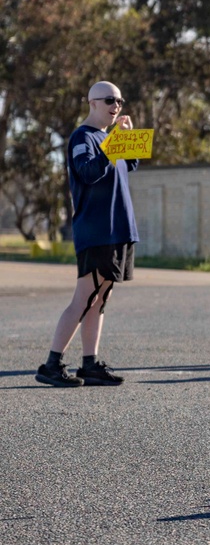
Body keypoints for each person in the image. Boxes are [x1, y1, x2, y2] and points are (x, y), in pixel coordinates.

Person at [35, 81, 139, 387]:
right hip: (97, 231)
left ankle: (90, 364)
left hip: (118, 229)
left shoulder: (108, 138)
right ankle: (51, 365)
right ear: (91, 103)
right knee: (83, 297)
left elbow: (129, 166)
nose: (116, 105)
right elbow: (88, 171)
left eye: (120, 100)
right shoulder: (83, 137)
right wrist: (111, 146)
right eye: (109, 100)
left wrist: (127, 140)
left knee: (100, 298)